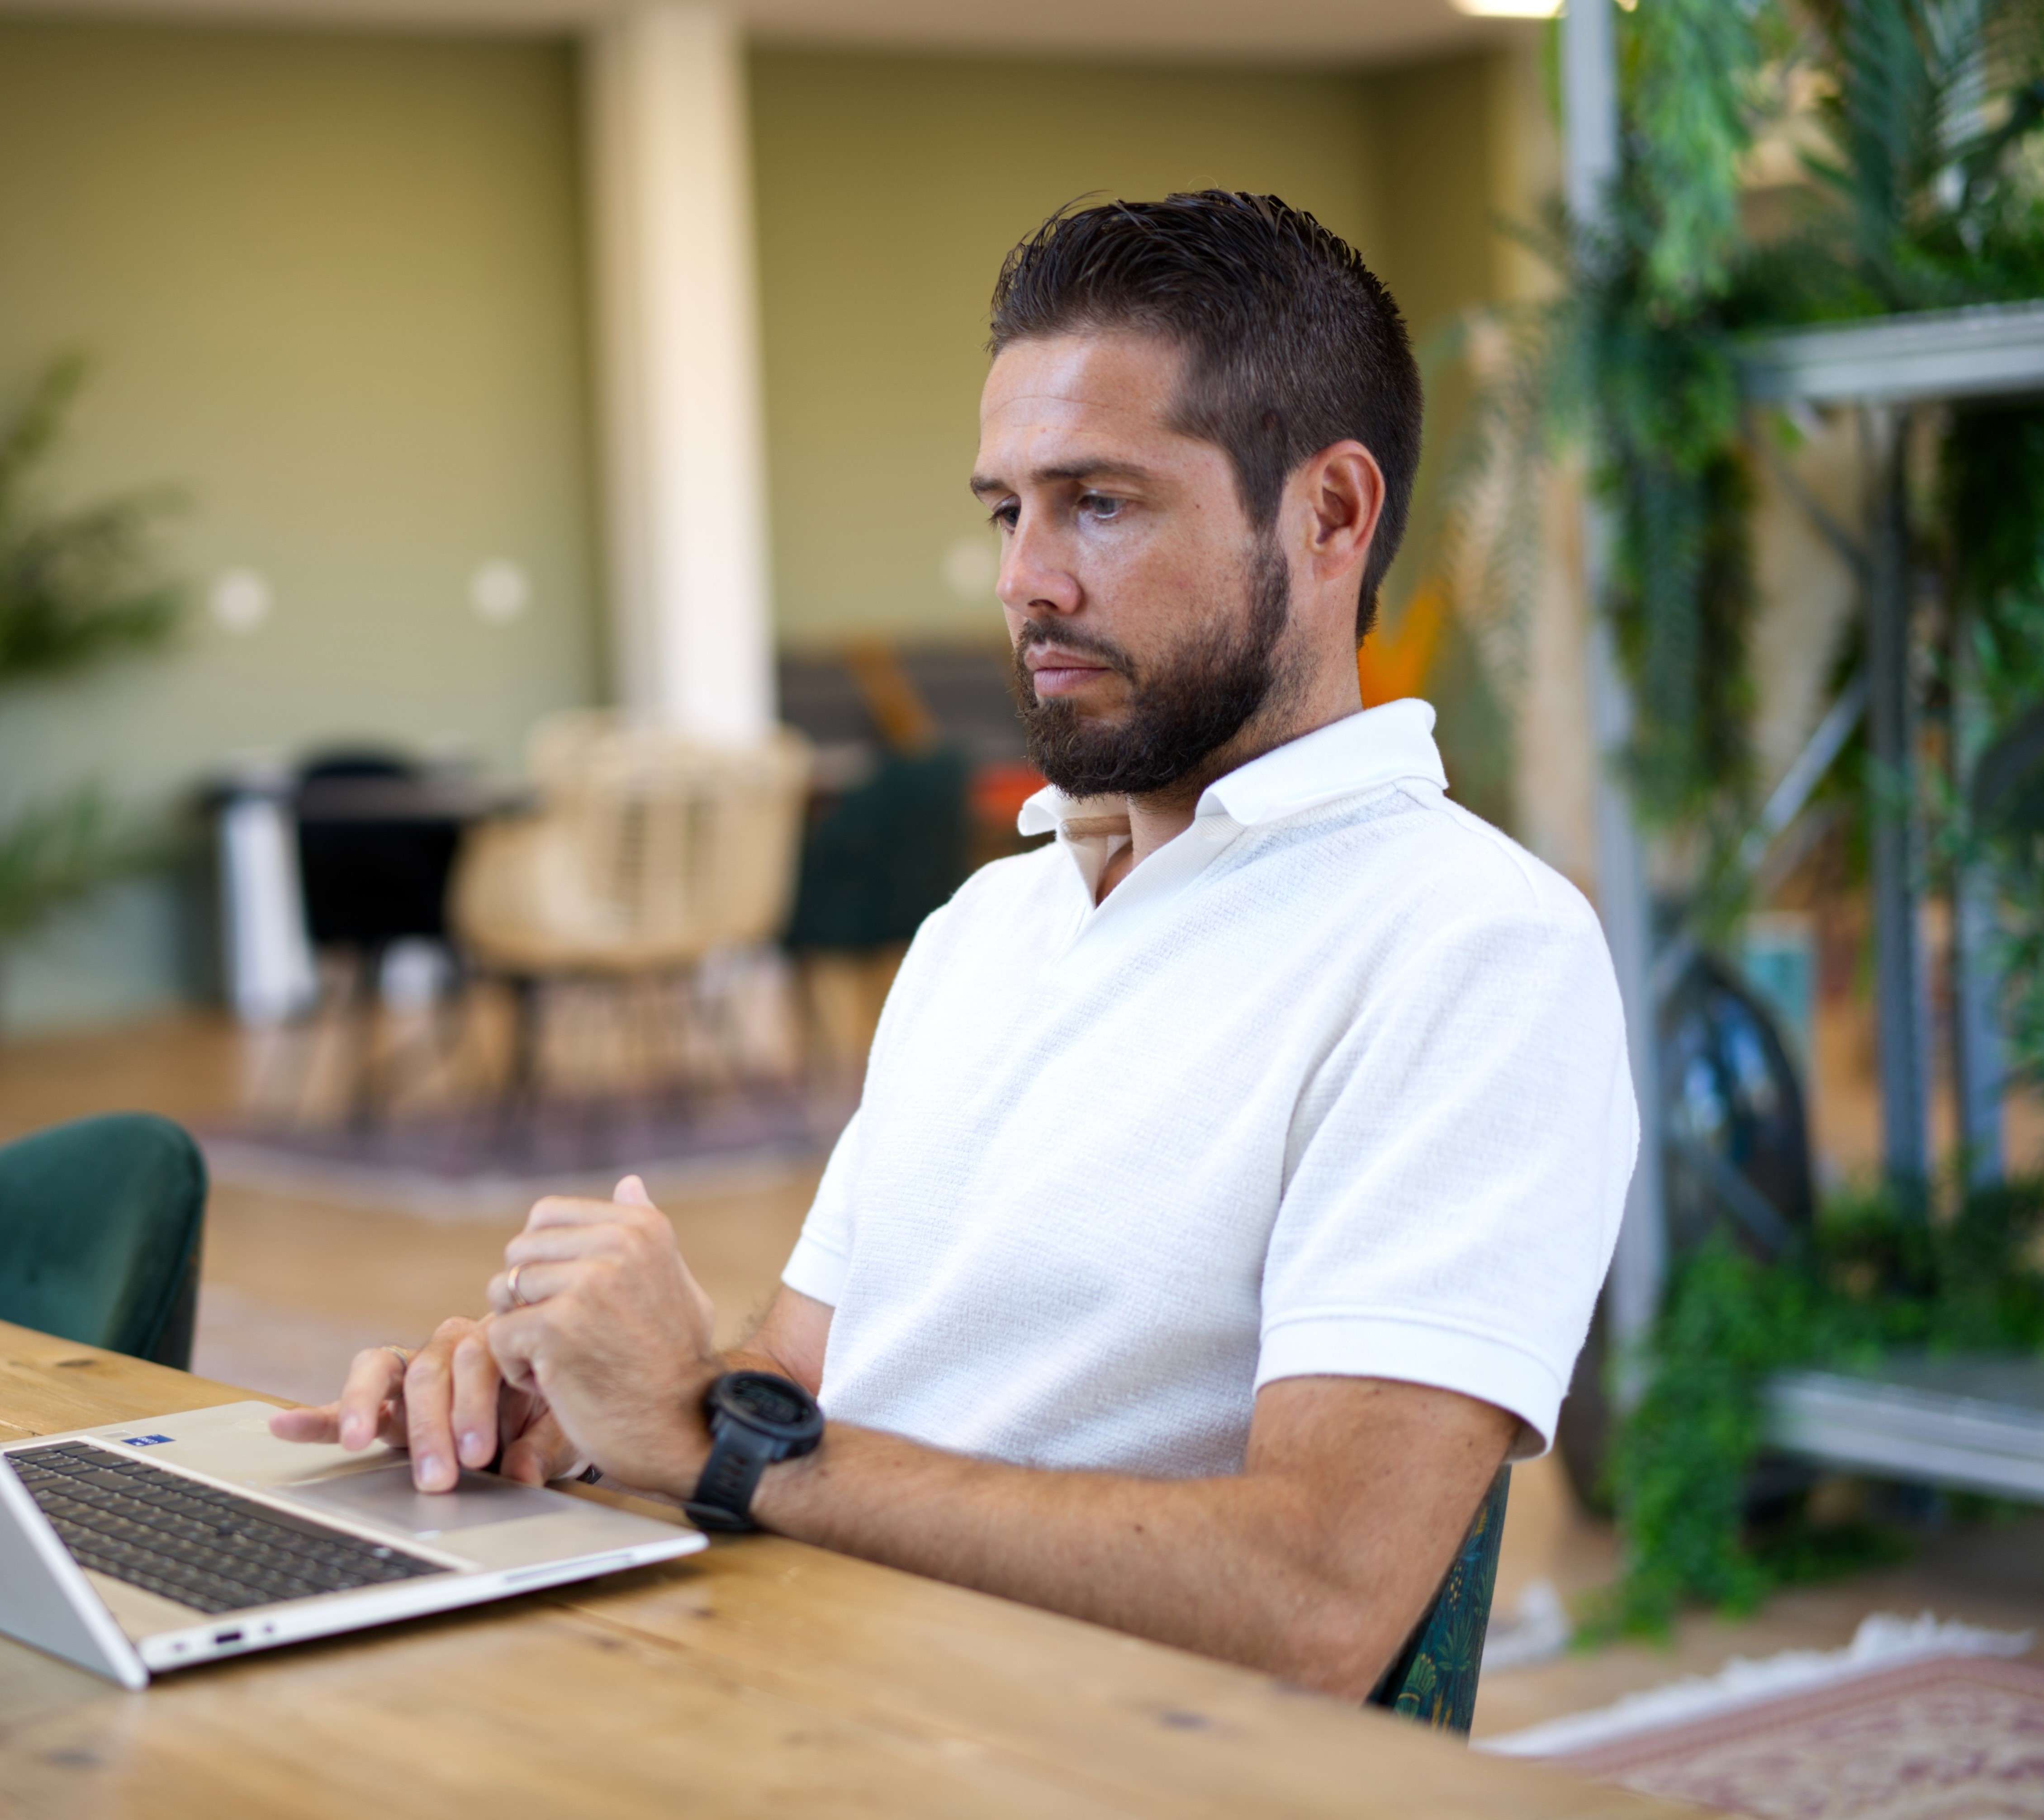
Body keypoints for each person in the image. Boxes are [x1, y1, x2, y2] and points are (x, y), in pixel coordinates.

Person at [271, 192, 1635, 1702]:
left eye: (1098, 504)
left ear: (1329, 515)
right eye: (1007, 510)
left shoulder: (1474, 949)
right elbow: (803, 1382)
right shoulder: (993, 919)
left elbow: (1316, 1604)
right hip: (800, 1690)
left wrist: (721, 1441)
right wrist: (579, 1407)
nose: (1023, 581)